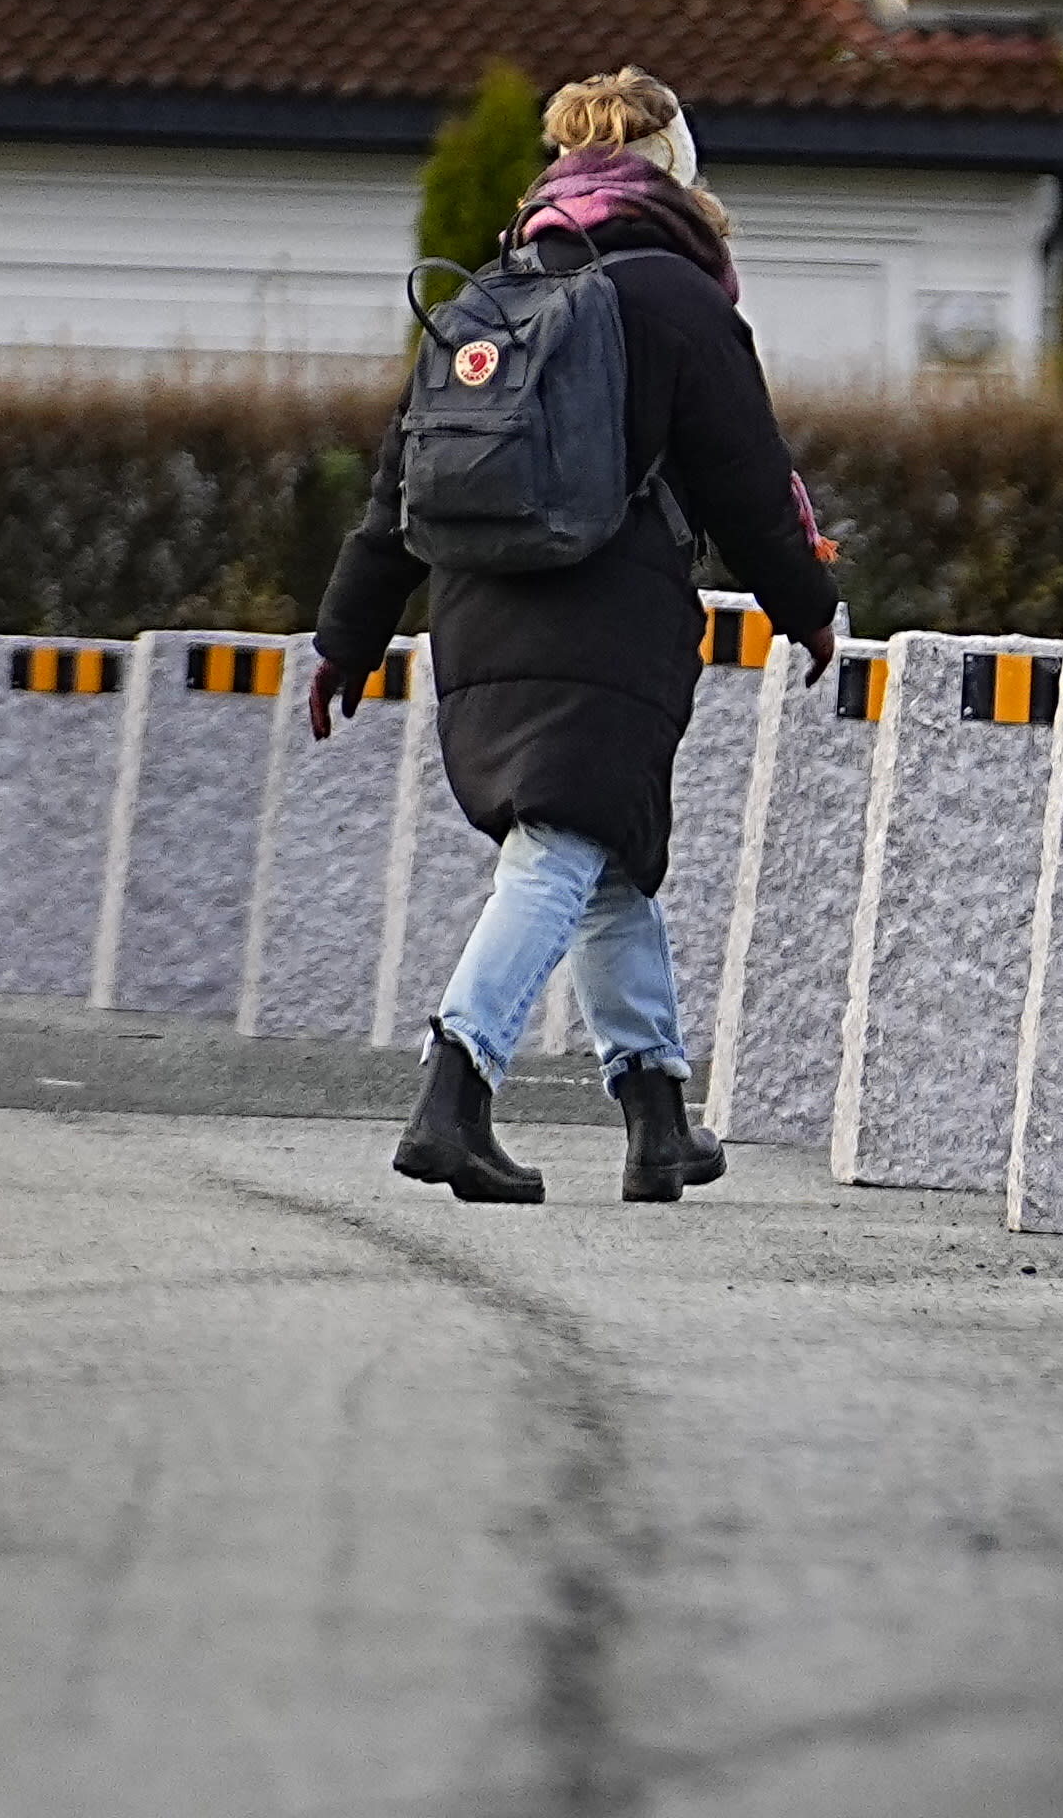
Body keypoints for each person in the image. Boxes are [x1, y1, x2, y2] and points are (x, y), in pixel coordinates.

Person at [311, 68, 845, 1204]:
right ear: (674, 170)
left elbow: (399, 481)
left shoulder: (493, 291)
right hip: (607, 612)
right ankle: (452, 1094)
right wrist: (807, 606)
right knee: (559, 844)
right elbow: (750, 485)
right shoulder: (675, 295)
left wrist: (346, 638)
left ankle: (657, 1119)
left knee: (603, 851)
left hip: (477, 607)